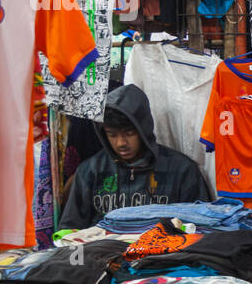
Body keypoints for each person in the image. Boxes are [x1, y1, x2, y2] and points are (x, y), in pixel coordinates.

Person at [58, 85, 210, 231]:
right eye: (112, 134)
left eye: (129, 133)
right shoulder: (90, 171)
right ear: (104, 133)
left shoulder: (181, 170)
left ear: (143, 129)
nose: (121, 143)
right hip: (102, 254)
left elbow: (203, 227)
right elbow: (69, 230)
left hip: (162, 254)